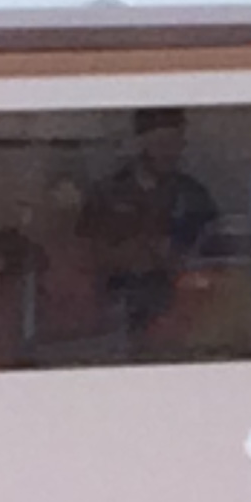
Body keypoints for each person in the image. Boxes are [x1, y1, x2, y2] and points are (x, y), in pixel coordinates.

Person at [79, 110, 218, 340]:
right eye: (161, 143)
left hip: (178, 309)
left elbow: (211, 252)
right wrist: (126, 254)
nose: (169, 152)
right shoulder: (106, 193)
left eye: (175, 143)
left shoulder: (193, 195)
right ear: (141, 144)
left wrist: (177, 256)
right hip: (114, 307)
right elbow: (85, 252)